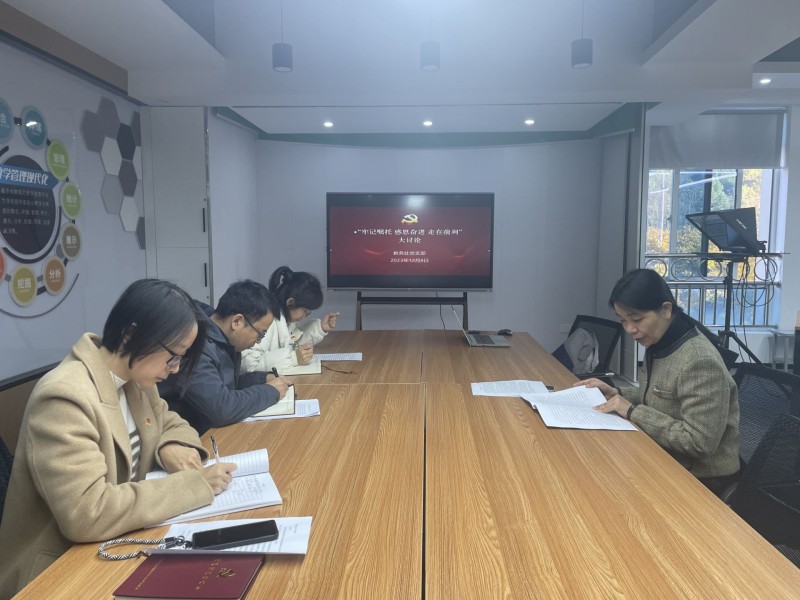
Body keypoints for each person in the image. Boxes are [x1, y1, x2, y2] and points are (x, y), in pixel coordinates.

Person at [0, 279, 236, 598]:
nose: (174, 369)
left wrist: (170, 444)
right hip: (59, 570)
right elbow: (87, 513)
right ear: (131, 334)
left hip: (119, 543)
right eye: (173, 356)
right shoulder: (64, 397)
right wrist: (196, 485)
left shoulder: (135, 379)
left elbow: (172, 422)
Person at [583, 268, 740, 496]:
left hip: (702, 481)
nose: (630, 329)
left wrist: (632, 411)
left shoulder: (699, 361)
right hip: (665, 457)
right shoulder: (660, 342)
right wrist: (616, 393)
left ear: (666, 309)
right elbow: (660, 394)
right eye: (623, 320)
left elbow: (699, 442)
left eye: (637, 319)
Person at [159, 279, 292, 434]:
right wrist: (270, 391)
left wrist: (262, 379)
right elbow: (220, 408)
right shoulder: (196, 344)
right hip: (187, 436)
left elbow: (223, 385)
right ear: (237, 321)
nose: (258, 342)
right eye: (260, 335)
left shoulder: (222, 337)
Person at [241, 267, 339, 374]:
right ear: (290, 303)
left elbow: (291, 346)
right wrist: (293, 358)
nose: (305, 316)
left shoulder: (285, 319)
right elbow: (249, 365)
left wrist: (320, 328)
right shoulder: (267, 322)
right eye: (305, 311)